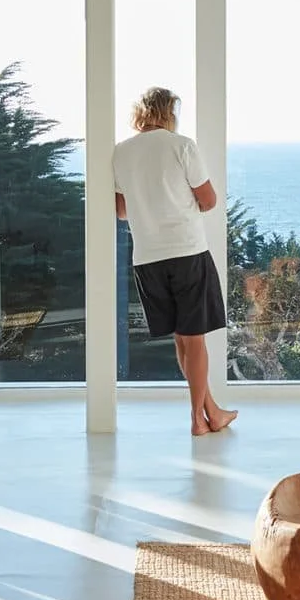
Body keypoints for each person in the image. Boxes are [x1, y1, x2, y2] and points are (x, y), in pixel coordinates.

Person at [113, 87, 239, 435]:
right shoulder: (181, 145)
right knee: (194, 340)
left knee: (182, 340)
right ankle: (197, 420)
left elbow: (121, 212)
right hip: (186, 251)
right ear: (169, 112)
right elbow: (209, 200)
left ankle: (212, 410)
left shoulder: (120, 153)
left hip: (147, 258)